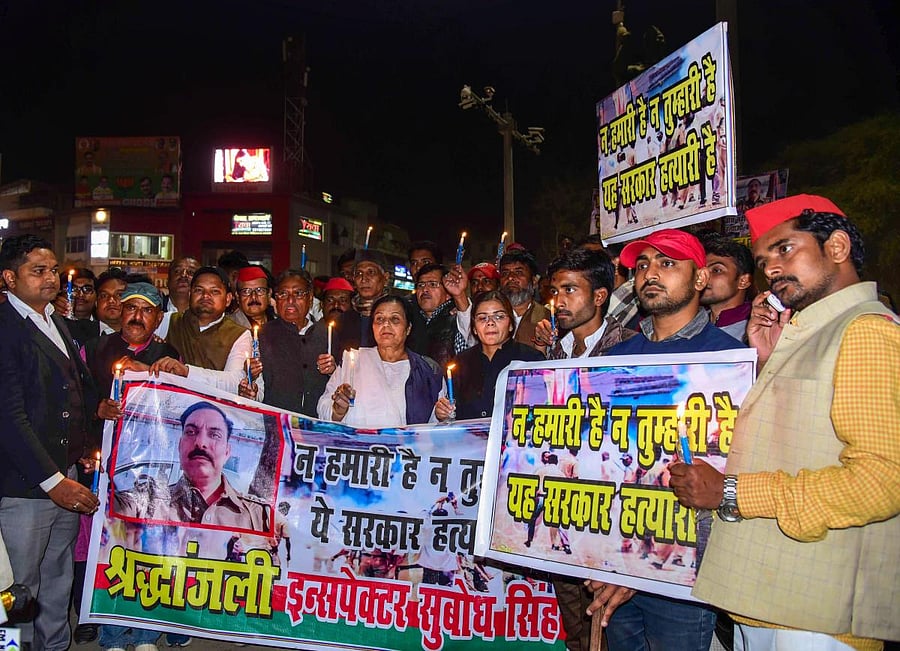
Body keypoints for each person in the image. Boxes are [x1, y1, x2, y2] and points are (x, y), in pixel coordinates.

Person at [671, 195, 900, 650]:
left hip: (817, 613)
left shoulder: (867, 331)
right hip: (776, 597)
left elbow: (883, 481)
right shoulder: (812, 334)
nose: (771, 269)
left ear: (836, 247)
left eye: (785, 249)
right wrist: (769, 359)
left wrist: (731, 492)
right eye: (762, 259)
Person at [586, 229, 744, 651]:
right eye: (642, 265)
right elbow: (597, 459)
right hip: (615, 560)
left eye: (668, 263)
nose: (650, 273)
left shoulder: (729, 360)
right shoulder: (617, 360)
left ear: (700, 279)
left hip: (686, 570)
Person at [531, 247, 635, 650]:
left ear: (599, 296)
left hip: (611, 512)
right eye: (556, 291)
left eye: (571, 290)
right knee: (574, 627)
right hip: (563, 508)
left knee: (611, 631)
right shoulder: (556, 354)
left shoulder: (631, 348)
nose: (559, 301)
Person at [0, 235, 100, 651]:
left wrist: (96, 419)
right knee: (18, 586)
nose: (50, 278)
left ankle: (54, 646)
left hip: (67, 472)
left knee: (58, 575)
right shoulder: (5, 327)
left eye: (53, 270)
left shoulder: (55, 319)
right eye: (37, 271)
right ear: (9, 277)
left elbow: (74, 387)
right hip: (28, 484)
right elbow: (9, 416)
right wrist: (52, 480)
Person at [83, 282, 175, 651]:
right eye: (131, 308)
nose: (137, 317)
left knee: (149, 546)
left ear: (158, 318)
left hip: (151, 465)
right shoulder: (96, 349)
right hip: (106, 465)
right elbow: (80, 396)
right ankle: (110, 633)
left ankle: (146, 632)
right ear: (119, 311)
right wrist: (97, 410)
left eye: (147, 310)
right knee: (108, 546)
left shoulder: (167, 354)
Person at [114, 401, 272, 530]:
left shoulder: (258, 516)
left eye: (214, 435)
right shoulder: (146, 502)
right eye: (191, 432)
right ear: (180, 445)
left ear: (227, 452)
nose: (201, 443)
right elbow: (106, 509)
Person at [319, 295, 443, 428]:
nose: (386, 325)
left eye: (395, 319)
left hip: (405, 448)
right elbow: (323, 409)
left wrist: (442, 415)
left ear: (408, 328)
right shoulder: (352, 362)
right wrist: (337, 411)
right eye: (379, 319)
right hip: (357, 447)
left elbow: (435, 425)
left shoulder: (427, 370)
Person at [434, 290, 542, 420]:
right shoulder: (461, 363)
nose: (490, 323)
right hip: (470, 439)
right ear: (474, 327)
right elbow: (452, 409)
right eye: (482, 318)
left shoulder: (531, 360)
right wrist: (443, 412)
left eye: (499, 317)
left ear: (510, 325)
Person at [240, 269, 331, 417]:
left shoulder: (327, 334)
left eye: (298, 293)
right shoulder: (262, 335)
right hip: (276, 425)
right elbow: (258, 389)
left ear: (310, 297)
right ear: (275, 298)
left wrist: (332, 371)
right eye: (283, 294)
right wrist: (251, 384)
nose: (290, 300)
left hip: (318, 427)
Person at [150, 266, 254, 394]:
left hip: (215, 411)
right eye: (199, 290)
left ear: (228, 299)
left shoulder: (239, 334)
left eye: (214, 291)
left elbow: (235, 382)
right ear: (190, 294)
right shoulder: (169, 321)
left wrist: (187, 372)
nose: (206, 296)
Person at [407, 263, 465, 368]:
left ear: (448, 293)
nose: (425, 290)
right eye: (421, 285)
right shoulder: (409, 320)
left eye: (433, 284)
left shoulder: (458, 320)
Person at [333, 250, 390, 353]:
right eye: (359, 274)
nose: (364, 279)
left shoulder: (397, 314)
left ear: (385, 278)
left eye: (371, 272)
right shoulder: (345, 319)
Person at [700, 236, 754, 341]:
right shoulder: (690, 325)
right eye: (701, 271)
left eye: (716, 270)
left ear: (743, 281)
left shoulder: (758, 327)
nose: (703, 277)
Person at [498, 248, 547, 350]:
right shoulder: (490, 316)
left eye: (519, 272)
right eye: (505, 273)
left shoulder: (547, 317)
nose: (510, 278)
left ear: (534, 281)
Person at [156, 255, 200, 338]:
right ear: (167, 281)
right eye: (177, 271)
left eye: (191, 272)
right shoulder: (155, 309)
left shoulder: (205, 313)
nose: (183, 275)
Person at [231, 264, 276, 330]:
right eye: (246, 291)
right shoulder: (228, 327)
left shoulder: (279, 324)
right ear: (238, 297)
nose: (254, 297)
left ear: (269, 294)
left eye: (260, 290)